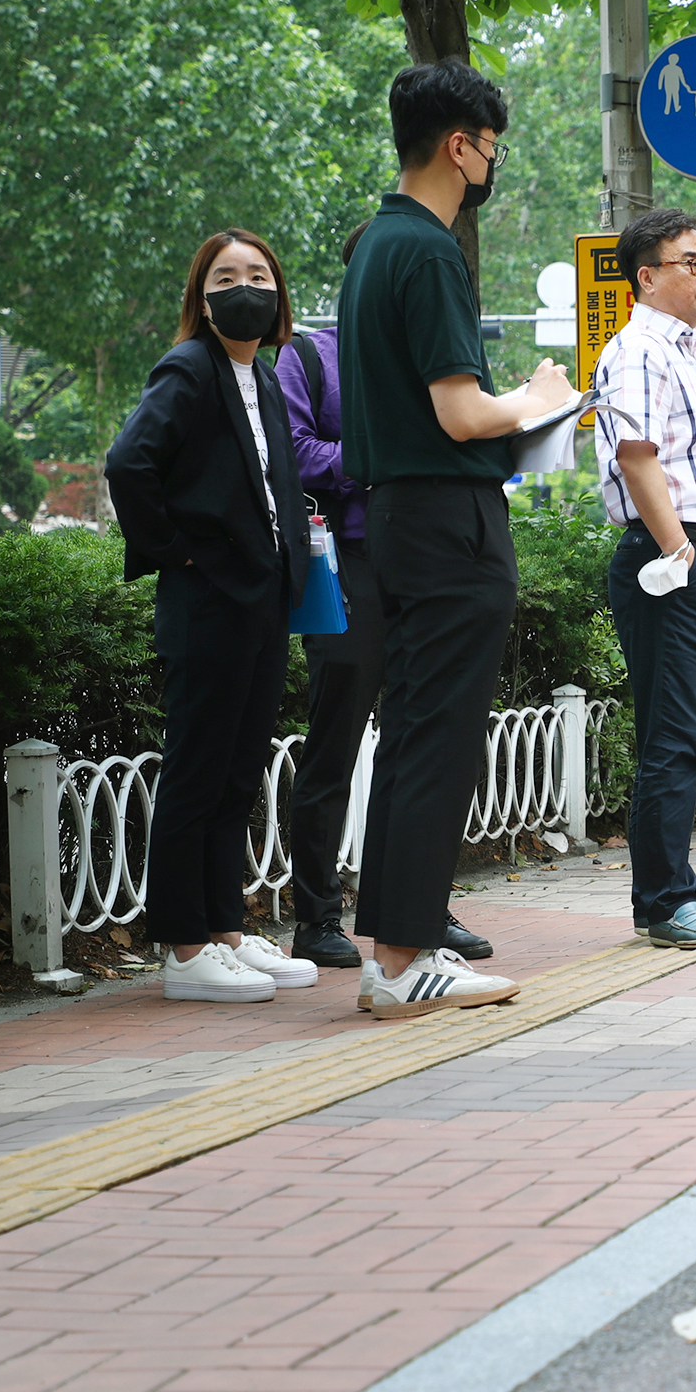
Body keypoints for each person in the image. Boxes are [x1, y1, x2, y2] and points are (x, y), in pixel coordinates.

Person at [339, 59, 575, 1018]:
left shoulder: (371, 247)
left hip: (398, 517)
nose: (493, 160)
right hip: (448, 520)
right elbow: (460, 413)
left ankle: (394, 953)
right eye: (491, 144)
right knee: (439, 737)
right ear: (459, 144)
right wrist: (542, 400)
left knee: (411, 734)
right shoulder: (430, 252)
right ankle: (405, 960)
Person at [105, 229, 320, 1003]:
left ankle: (226, 931)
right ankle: (185, 948)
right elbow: (130, 463)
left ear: (279, 293)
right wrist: (177, 550)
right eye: (227, 276)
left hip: (261, 598)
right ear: (202, 297)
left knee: (238, 770)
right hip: (207, 600)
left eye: (259, 274)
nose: (246, 287)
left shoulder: (257, 375)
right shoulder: (190, 367)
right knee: (197, 773)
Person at [278, 223, 494, 970]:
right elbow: (294, 450)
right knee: (336, 739)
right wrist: (382, 454)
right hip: (348, 563)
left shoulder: (441, 366)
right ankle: (315, 917)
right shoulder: (309, 355)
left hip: (429, 556)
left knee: (421, 739)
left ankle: (418, 909)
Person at [593, 207, 696, 951]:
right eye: (691, 262)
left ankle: (670, 895)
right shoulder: (638, 351)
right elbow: (637, 456)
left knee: (685, 731)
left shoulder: (692, 354)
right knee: (674, 733)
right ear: (647, 276)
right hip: (678, 558)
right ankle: (664, 903)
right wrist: (679, 551)